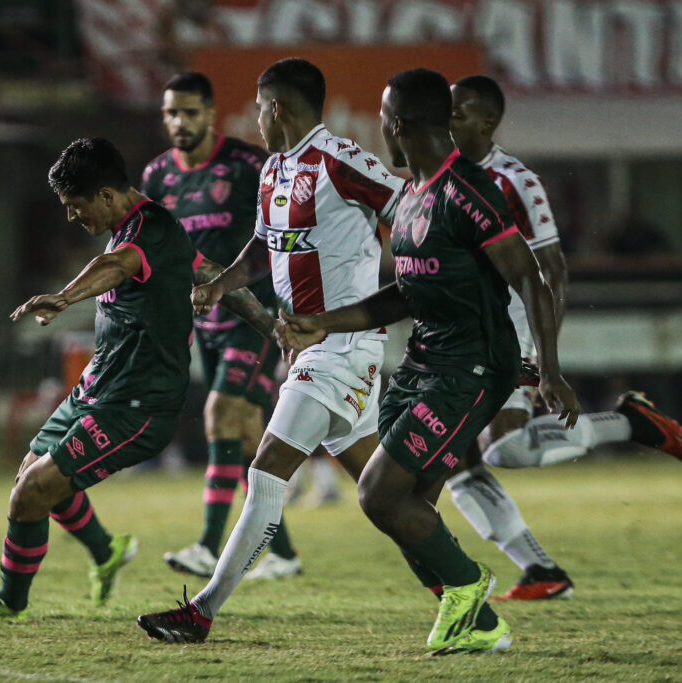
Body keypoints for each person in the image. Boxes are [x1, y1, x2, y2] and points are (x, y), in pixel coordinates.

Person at [275, 68, 583, 655]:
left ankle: (470, 588)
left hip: (470, 368)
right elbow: (406, 291)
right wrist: (326, 321)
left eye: (382, 116)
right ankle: (484, 627)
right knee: (409, 512)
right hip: (423, 363)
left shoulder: (466, 191)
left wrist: (549, 370)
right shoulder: (413, 193)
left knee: (379, 495)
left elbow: (529, 275)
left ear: (396, 124)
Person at [137, 57, 406, 643]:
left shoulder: (341, 159)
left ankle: (201, 611)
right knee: (385, 494)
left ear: (276, 108)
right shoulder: (274, 171)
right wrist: (219, 284)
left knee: (265, 471)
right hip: (311, 350)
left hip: (342, 348)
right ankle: (462, 587)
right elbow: (264, 249)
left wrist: (419, 290)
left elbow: (412, 214)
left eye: (260, 108)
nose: (257, 119)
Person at [0, 137, 275, 622]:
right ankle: (105, 551)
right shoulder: (148, 231)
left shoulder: (147, 230)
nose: (70, 217)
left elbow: (116, 264)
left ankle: (11, 602)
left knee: (32, 493)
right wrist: (271, 325)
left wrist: (64, 296)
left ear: (104, 195)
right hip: (96, 390)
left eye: (73, 206)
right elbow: (208, 273)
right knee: (31, 478)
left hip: (136, 407)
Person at [445, 74, 682, 600]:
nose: (446, 122)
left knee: (503, 451)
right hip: (460, 336)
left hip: (509, 331)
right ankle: (541, 571)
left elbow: (552, 271)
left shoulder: (516, 180)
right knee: (455, 458)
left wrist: (544, 361)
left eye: (457, 113)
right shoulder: (441, 175)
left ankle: (625, 423)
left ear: (487, 121)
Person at [141, 71, 301, 580]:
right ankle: (281, 552)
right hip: (203, 322)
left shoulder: (247, 165)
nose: (180, 122)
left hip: (256, 316)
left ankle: (210, 545)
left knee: (219, 414)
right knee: (245, 432)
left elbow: (277, 234)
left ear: (210, 113)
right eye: (172, 112)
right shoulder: (157, 177)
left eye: (190, 112)